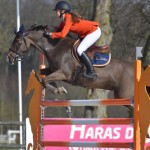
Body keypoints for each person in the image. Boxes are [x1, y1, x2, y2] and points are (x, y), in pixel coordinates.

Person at [43, 1, 101, 79]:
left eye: (57, 10)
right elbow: (58, 30)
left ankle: (91, 72)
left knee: (80, 50)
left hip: (94, 32)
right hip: (87, 33)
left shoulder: (68, 18)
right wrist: (48, 31)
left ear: (62, 11)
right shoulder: (64, 20)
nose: (56, 12)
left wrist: (50, 34)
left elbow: (62, 34)